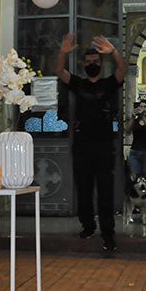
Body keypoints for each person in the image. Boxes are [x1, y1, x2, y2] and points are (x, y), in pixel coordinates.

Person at [56, 33, 128, 251]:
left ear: (101, 63)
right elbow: (60, 71)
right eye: (88, 62)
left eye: (95, 61)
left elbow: (123, 69)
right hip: (82, 146)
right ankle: (88, 226)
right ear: (83, 65)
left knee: (105, 192)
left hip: (104, 147)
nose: (92, 64)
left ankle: (108, 235)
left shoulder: (108, 84)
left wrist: (113, 51)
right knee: (84, 189)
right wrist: (63, 52)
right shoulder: (78, 84)